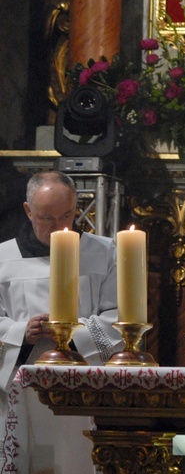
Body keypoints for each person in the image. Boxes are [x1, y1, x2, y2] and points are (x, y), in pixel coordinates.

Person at [0, 171, 124, 473]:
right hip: (19, 387)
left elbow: (120, 317)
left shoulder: (106, 252)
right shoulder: (3, 258)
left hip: (82, 388)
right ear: (29, 211)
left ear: (76, 207)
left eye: (66, 216)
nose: (59, 227)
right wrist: (21, 332)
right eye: (47, 218)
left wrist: (70, 333)